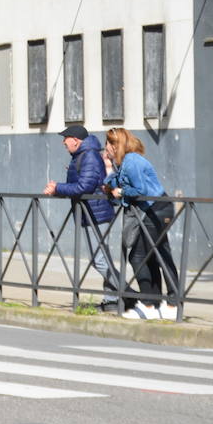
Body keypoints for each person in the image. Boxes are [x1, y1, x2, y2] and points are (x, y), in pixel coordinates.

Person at [44, 125, 123, 312]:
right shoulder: (81, 155)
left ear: (75, 140)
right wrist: (57, 191)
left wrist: (58, 188)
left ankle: (129, 294)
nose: (64, 142)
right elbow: (76, 186)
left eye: (66, 138)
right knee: (102, 259)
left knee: (100, 260)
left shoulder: (89, 156)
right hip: (90, 213)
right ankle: (112, 300)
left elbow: (84, 187)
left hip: (97, 214)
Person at [104, 127, 179, 320]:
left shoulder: (132, 162)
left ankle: (158, 304)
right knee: (153, 256)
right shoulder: (124, 163)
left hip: (156, 209)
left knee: (142, 257)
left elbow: (139, 188)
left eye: (108, 144)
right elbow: (115, 181)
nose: (106, 148)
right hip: (154, 209)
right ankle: (158, 304)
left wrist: (120, 192)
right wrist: (109, 169)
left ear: (115, 145)